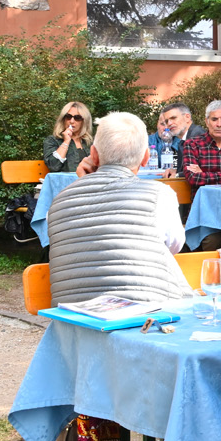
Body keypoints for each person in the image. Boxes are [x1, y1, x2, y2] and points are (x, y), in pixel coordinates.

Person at [46, 111, 187, 306]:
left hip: (73, 319)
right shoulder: (159, 195)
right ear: (146, 157)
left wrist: (86, 181)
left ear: (93, 154)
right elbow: (173, 247)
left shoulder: (58, 201)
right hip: (144, 316)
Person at [43, 101, 95, 175]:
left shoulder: (90, 142)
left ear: (84, 121)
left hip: (87, 184)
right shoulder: (53, 140)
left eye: (77, 118)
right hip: (64, 184)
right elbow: (53, 166)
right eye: (68, 117)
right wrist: (66, 141)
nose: (72, 121)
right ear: (63, 119)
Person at [148, 102, 193, 170]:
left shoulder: (180, 139)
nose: (166, 128)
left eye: (168, 125)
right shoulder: (147, 141)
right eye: (163, 124)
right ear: (157, 125)